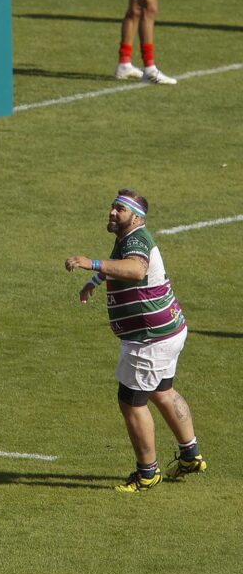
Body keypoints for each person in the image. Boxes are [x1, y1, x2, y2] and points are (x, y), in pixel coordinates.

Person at [65, 189, 206, 492]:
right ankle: (191, 455)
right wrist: (94, 282)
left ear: (136, 217)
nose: (112, 213)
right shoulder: (128, 238)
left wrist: (91, 264)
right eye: (112, 207)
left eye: (120, 209)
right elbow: (119, 263)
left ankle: (147, 472)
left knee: (131, 402)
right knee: (162, 391)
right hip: (169, 330)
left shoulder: (137, 240)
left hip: (149, 339)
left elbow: (135, 268)